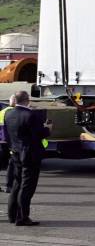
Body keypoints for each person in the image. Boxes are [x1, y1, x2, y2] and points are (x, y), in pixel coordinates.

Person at [4, 91, 51, 226]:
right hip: (29, 155)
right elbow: (38, 134)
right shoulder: (31, 115)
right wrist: (48, 129)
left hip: (16, 153)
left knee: (16, 184)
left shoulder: (8, 113)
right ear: (27, 100)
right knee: (27, 187)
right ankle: (22, 217)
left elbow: (8, 135)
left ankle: (12, 215)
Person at [0, 95, 16, 192]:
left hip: (1, 142)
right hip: (10, 143)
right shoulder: (13, 113)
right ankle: (9, 186)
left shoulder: (1, 112)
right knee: (11, 165)